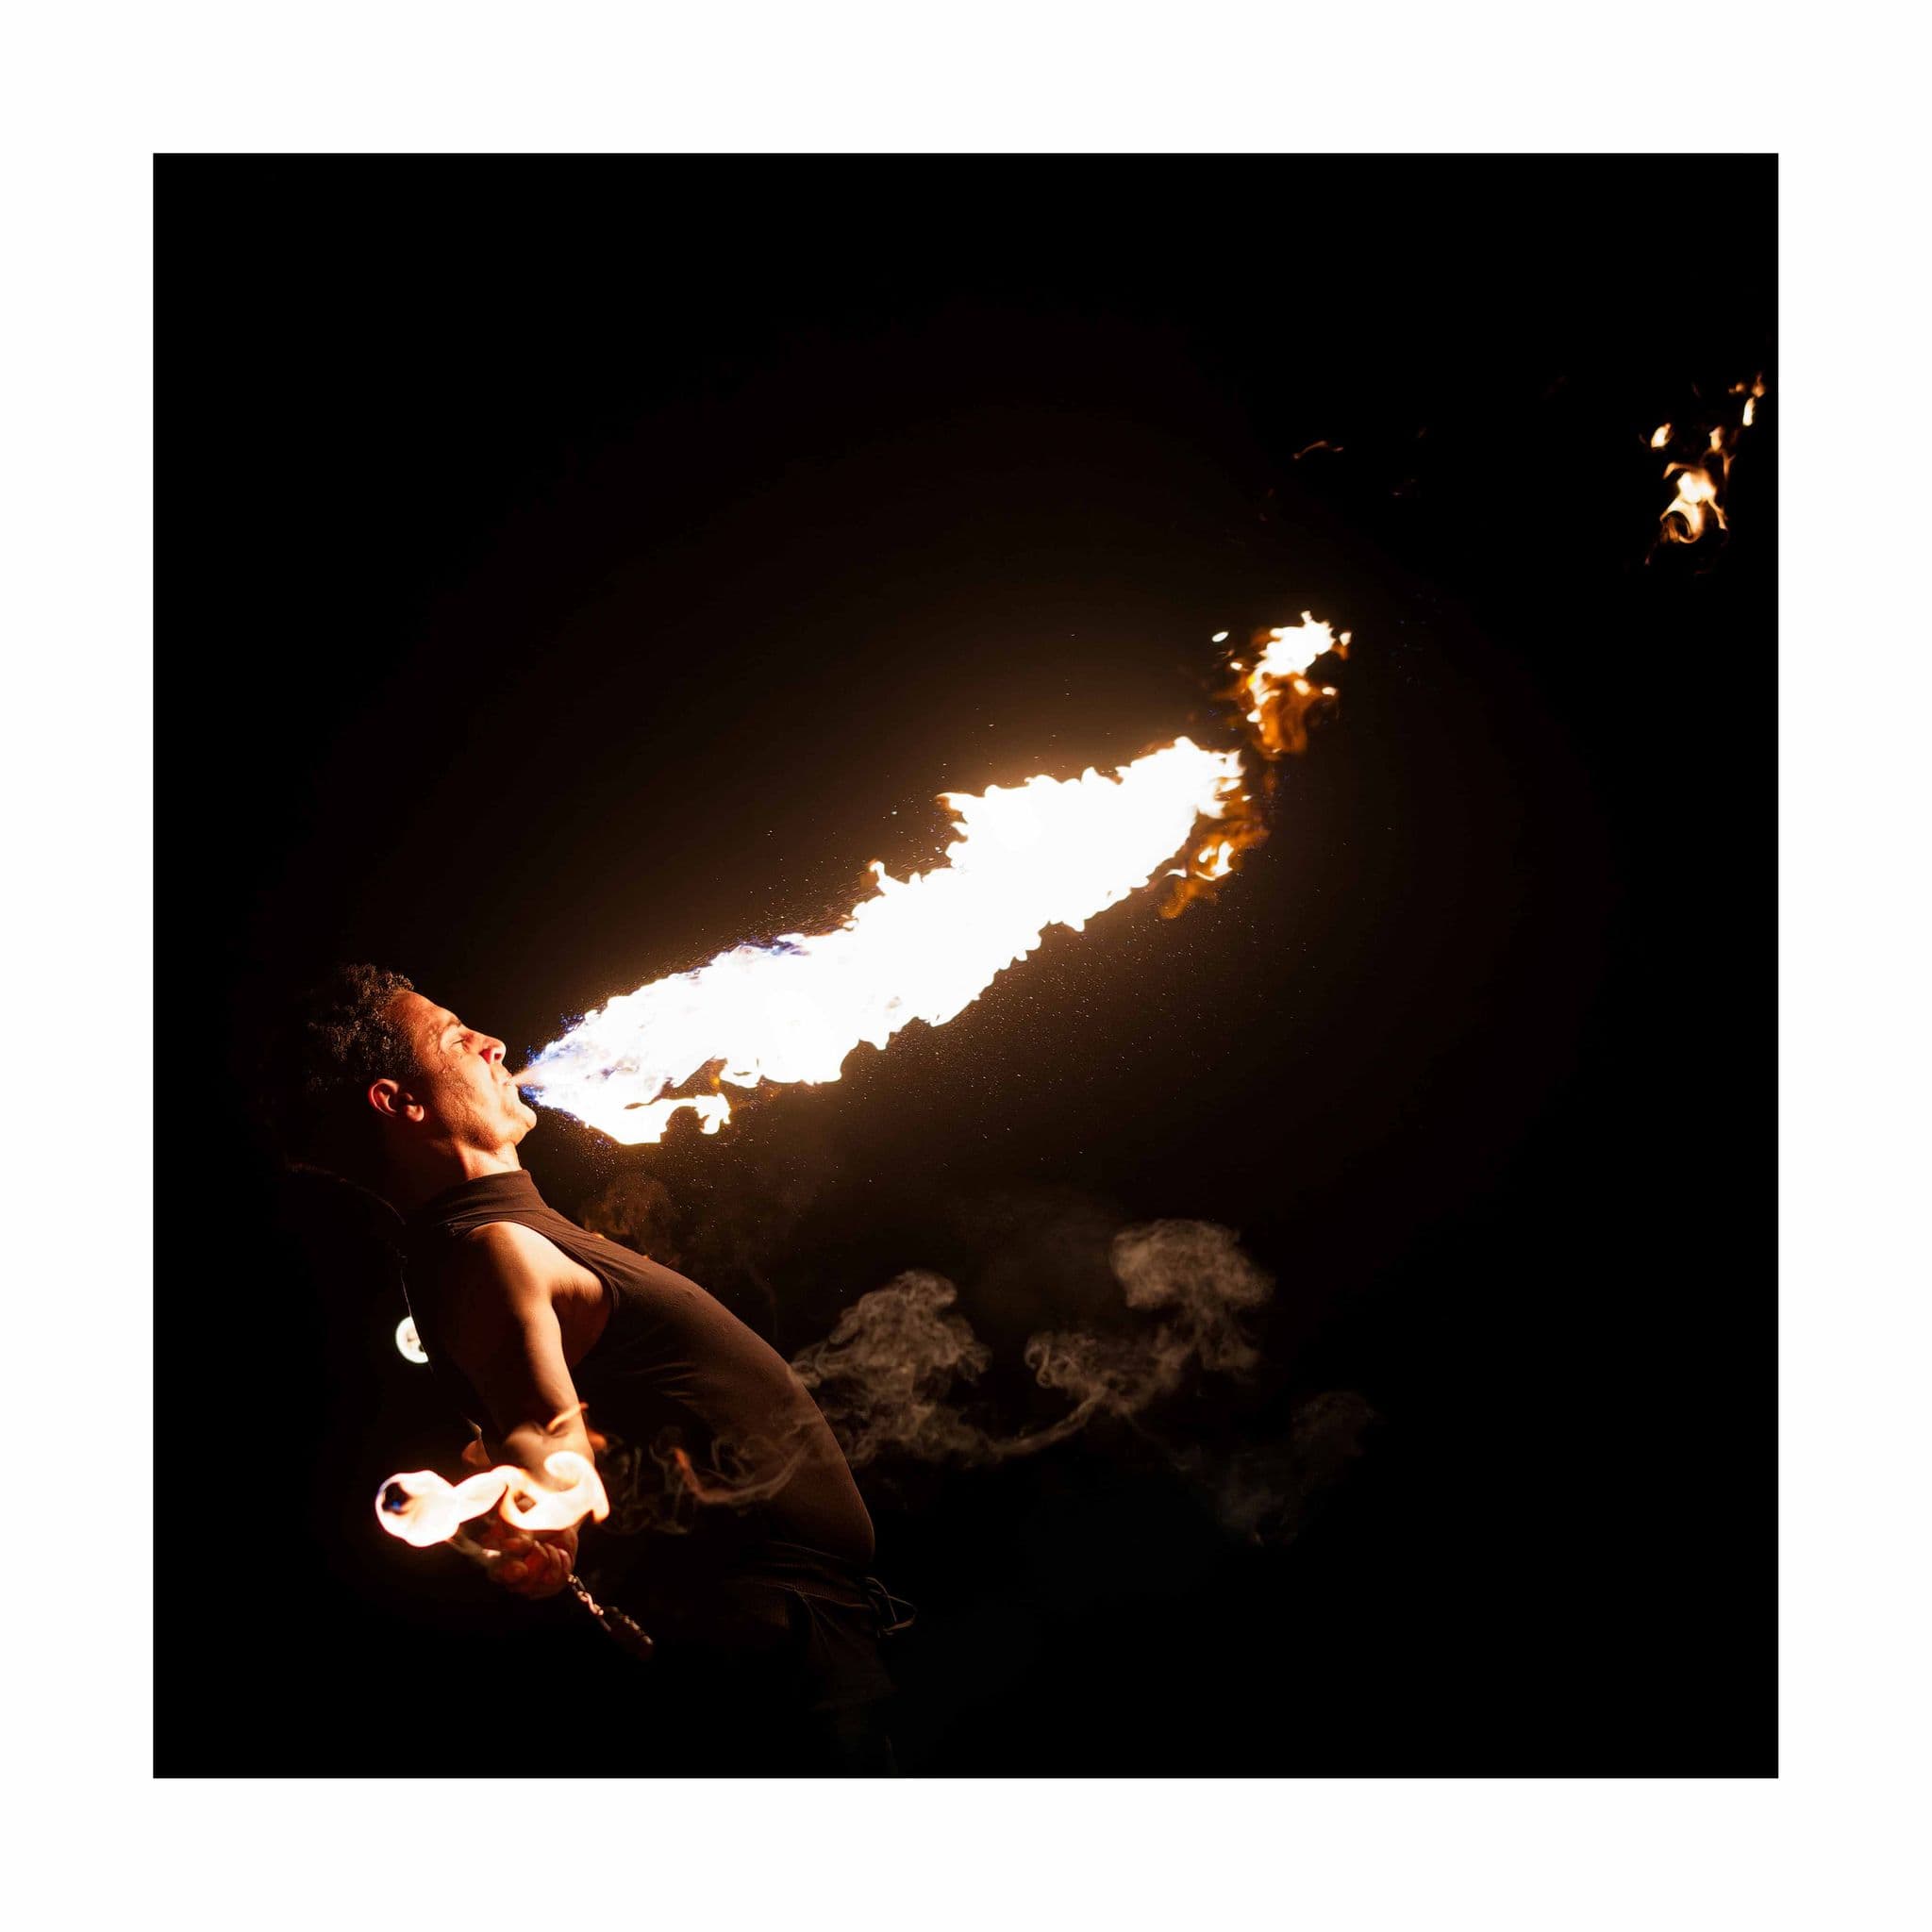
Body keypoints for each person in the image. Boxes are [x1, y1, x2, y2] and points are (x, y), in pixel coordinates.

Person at [268, 963, 907, 1773]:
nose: (493, 1042)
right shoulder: (486, 1252)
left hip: (795, 1640)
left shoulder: (494, 1243)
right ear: (400, 1102)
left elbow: (527, 1430)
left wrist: (542, 1514)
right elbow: (541, 1427)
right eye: (456, 1037)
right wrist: (543, 1486)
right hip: (773, 1658)